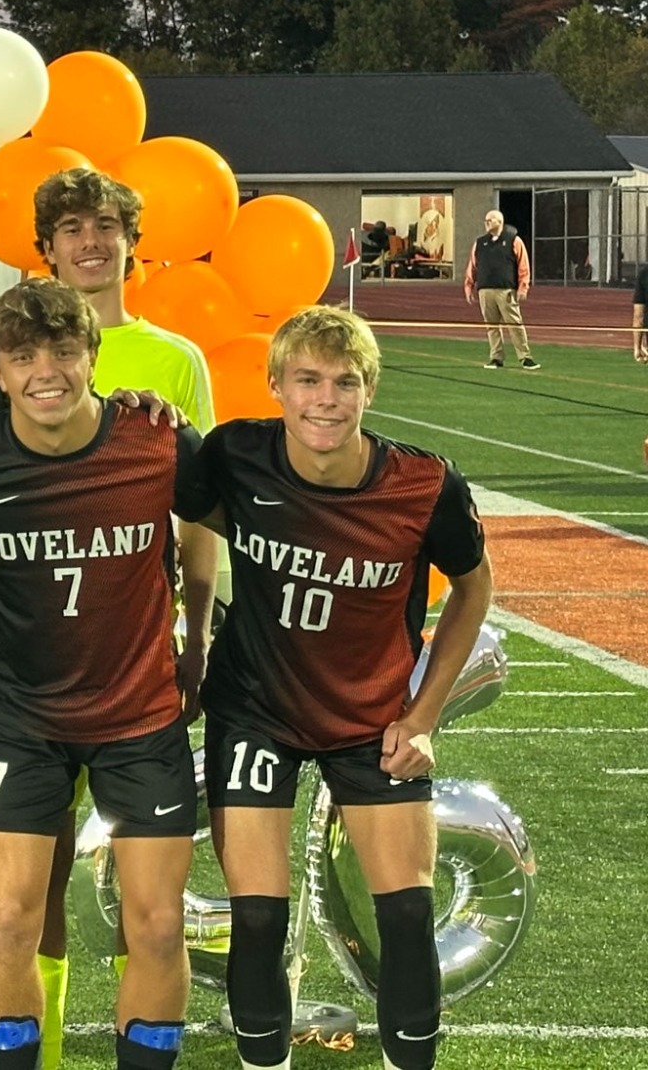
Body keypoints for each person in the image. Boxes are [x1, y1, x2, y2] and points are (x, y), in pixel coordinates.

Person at [0, 278, 217, 1070]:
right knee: (13, 918)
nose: (46, 371)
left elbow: (226, 519)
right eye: (23, 357)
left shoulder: (157, 443)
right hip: (21, 723)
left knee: (155, 924)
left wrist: (202, 635)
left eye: (64, 351)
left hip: (141, 717)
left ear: (92, 356)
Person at [200, 306, 493, 1070]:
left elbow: (472, 591)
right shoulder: (235, 453)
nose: (325, 400)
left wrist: (423, 715)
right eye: (307, 380)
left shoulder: (424, 483)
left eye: (344, 382)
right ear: (275, 386)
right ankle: (264, 1061)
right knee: (257, 918)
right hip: (255, 710)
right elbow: (137, 494)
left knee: (405, 914)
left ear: (369, 391)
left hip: (371, 716)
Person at [27, 166, 222, 1069]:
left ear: (131, 242)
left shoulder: (175, 359)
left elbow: (200, 516)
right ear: (46, 248)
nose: (91, 241)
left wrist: (198, 635)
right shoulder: (12, 353)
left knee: (149, 890)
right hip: (33, 663)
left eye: (106, 225)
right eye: (72, 227)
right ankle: (51, 1050)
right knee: (38, 878)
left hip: (141, 661)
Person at [463, 210, 538, 370]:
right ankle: (496, 357)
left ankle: (525, 357)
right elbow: (473, 266)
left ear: (499, 222)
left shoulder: (513, 240)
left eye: (490, 220)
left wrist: (523, 287)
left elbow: (523, 265)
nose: (487, 223)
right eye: (486, 220)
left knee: (515, 324)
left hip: (506, 290)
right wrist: (469, 285)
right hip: (485, 290)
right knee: (491, 325)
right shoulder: (480, 243)